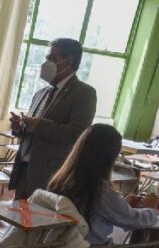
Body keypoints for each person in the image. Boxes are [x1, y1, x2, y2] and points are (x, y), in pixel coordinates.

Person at [47, 124, 159, 248]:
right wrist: (151, 208)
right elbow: (135, 220)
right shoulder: (99, 189)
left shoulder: (61, 179)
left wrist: (122, 203)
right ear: (110, 157)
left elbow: (102, 211)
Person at [8, 38, 97, 199]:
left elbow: (77, 133)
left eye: (51, 58)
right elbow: (32, 130)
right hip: (24, 168)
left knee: (37, 220)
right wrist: (19, 128)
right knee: (17, 218)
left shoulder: (84, 93)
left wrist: (39, 125)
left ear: (67, 61)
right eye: (46, 58)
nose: (46, 63)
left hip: (49, 173)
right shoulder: (41, 93)